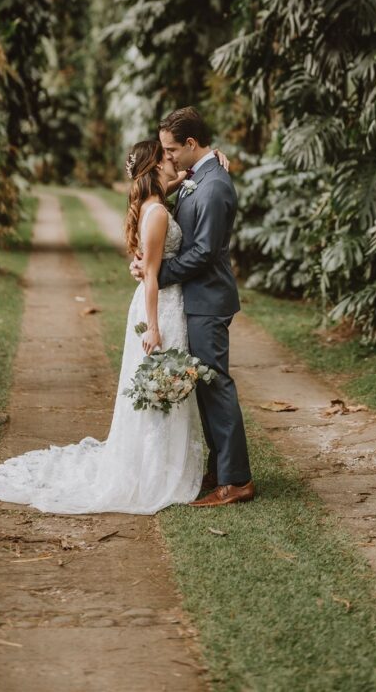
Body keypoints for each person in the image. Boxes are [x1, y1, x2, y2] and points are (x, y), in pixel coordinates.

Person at [0, 140, 205, 514]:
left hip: (164, 303)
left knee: (156, 390)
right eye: (166, 157)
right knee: (157, 388)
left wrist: (200, 163)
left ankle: (160, 463)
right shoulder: (155, 214)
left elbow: (162, 196)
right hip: (159, 308)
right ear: (153, 168)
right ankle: (153, 471)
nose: (173, 159)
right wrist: (153, 329)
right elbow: (151, 277)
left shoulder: (151, 202)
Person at [131, 106, 254, 507]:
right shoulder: (198, 176)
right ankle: (220, 469)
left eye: (170, 149)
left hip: (208, 299)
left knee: (216, 384)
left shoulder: (215, 186)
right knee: (204, 385)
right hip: (195, 297)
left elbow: (203, 251)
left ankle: (235, 480)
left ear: (190, 143)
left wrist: (157, 273)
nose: (166, 157)